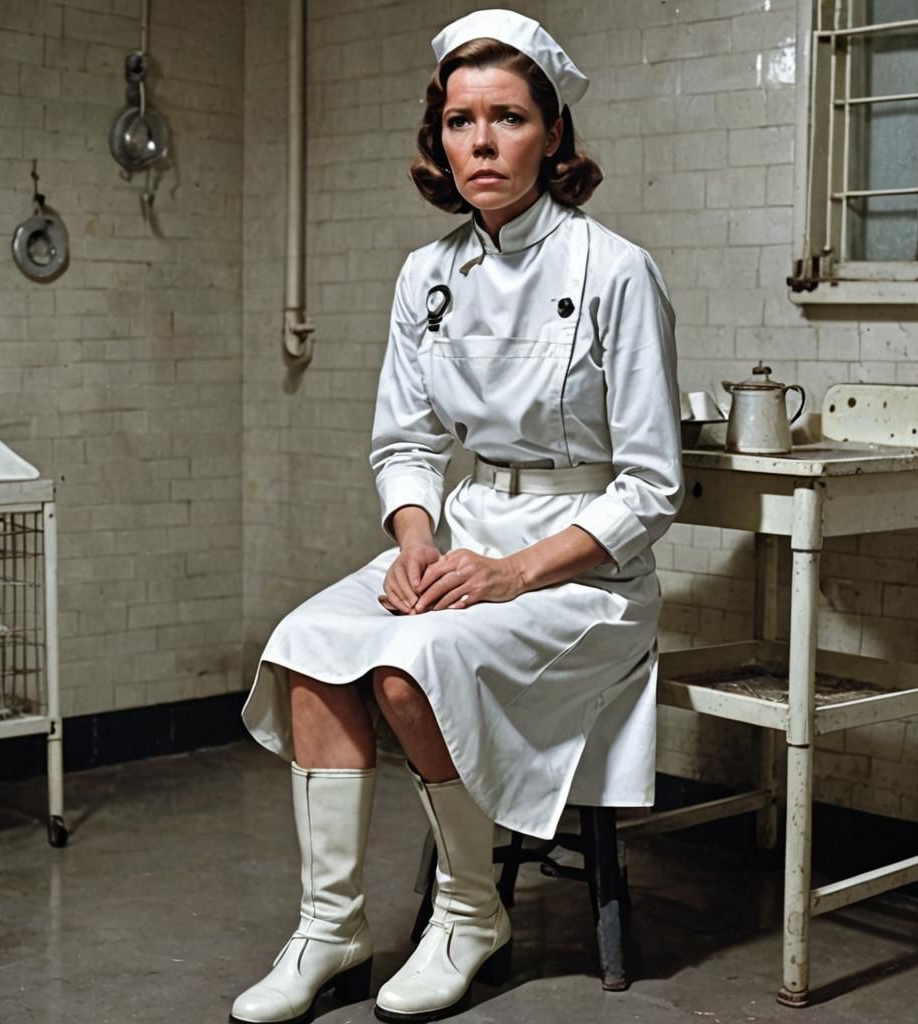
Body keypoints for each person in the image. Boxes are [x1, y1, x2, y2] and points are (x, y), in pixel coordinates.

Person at [230, 9, 683, 1024]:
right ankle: (329, 925)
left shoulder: (614, 271)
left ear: (553, 134)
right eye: (459, 120)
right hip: (466, 535)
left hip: (585, 578)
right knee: (308, 641)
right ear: (438, 137)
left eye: (509, 117)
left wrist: (512, 574)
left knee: (406, 665)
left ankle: (470, 913)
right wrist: (418, 545)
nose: (480, 141)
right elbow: (406, 443)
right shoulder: (426, 275)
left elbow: (653, 487)